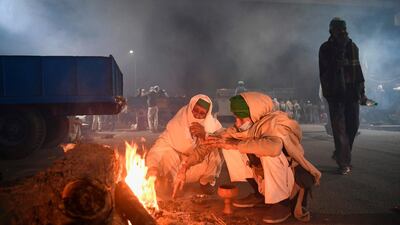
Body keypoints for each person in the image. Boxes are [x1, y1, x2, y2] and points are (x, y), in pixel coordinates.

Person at [204, 92, 321, 223]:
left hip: (290, 179)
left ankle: (282, 204)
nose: (237, 122)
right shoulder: (251, 126)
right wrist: (209, 137)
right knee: (230, 145)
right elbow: (225, 135)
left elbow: (274, 148)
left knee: (265, 151)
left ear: (255, 114)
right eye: (236, 117)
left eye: (242, 118)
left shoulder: (275, 125)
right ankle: (260, 195)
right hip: (266, 177)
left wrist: (235, 144)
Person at [145, 94, 224, 197]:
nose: (197, 116)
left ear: (207, 114)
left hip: (197, 166)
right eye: (195, 110)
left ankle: (206, 182)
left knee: (216, 148)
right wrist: (153, 167)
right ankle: (174, 184)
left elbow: (225, 139)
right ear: (190, 108)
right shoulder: (177, 124)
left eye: (202, 114)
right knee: (167, 152)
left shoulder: (212, 124)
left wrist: (205, 135)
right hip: (178, 170)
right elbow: (157, 149)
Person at [319, 17, 369, 175]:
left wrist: (362, 92)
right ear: (331, 31)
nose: (342, 31)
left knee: (353, 127)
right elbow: (325, 72)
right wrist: (339, 54)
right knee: (340, 130)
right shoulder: (325, 48)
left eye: (344, 28)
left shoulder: (353, 46)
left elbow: (358, 71)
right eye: (339, 29)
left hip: (352, 94)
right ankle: (344, 162)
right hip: (336, 95)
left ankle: (341, 154)